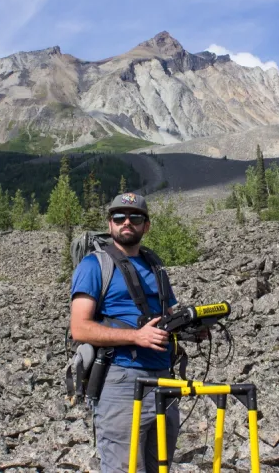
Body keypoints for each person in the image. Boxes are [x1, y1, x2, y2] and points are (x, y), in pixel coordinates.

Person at [70, 192, 179, 472]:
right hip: (120, 378)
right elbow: (79, 328)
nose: (126, 222)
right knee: (123, 468)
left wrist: (192, 329)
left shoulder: (156, 266)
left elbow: (168, 314)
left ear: (146, 225)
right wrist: (136, 336)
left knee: (160, 466)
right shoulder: (94, 265)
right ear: (110, 225)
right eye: (119, 217)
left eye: (135, 217)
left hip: (165, 378)